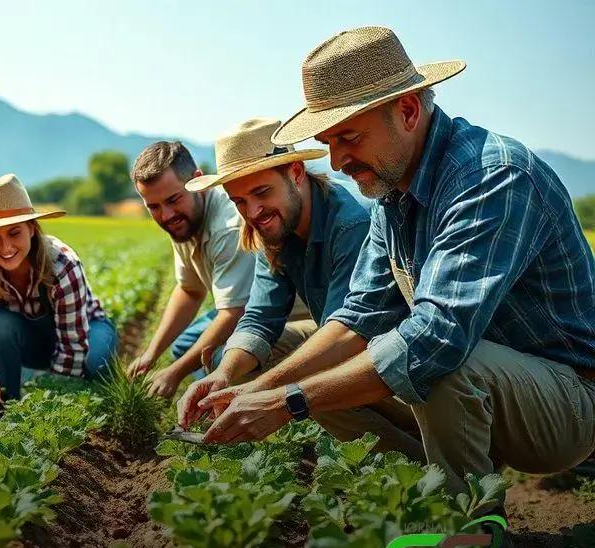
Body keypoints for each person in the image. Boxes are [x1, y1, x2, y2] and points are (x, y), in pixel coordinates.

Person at [195, 26, 595, 498]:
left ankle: (468, 546)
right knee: (320, 373)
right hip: (484, 384)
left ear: (406, 111)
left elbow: (437, 338)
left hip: (567, 397)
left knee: (438, 366)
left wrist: (286, 402)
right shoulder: (392, 193)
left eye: (348, 138)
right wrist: (260, 390)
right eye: (328, 142)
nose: (337, 161)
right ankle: (414, 484)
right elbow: (358, 319)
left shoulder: (492, 178)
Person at [175, 117, 422, 458]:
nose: (253, 212)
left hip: (395, 354)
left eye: (261, 193)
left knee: (303, 392)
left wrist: (265, 390)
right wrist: (222, 374)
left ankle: (415, 463)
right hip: (339, 334)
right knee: (230, 355)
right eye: (239, 202)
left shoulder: (352, 222)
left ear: (294, 172)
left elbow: (347, 336)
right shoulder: (273, 227)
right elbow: (261, 318)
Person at [127, 141, 310, 397]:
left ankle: (222, 397)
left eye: (173, 199)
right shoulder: (183, 221)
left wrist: (175, 372)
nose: (166, 215)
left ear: (196, 181)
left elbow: (235, 312)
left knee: (215, 357)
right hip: (240, 308)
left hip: (287, 317)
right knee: (183, 347)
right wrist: (151, 354)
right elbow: (190, 290)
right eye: (154, 207)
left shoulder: (227, 226)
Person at [0, 174, 117, 402]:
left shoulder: (63, 265)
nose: (6, 247)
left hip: (85, 329)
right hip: (29, 336)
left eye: (14, 232)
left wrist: (49, 401)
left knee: (95, 364)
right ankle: (6, 402)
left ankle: (96, 393)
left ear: (32, 229)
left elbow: (73, 346)